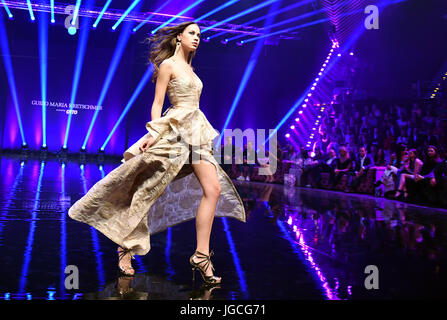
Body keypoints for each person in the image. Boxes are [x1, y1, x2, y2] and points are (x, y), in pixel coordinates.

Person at [68, 22, 246, 285]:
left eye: (199, 35)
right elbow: (157, 104)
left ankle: (201, 255)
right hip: (175, 131)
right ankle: (125, 248)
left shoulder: (191, 69)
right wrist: (154, 134)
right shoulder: (168, 66)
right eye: (192, 34)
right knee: (147, 191)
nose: (197, 38)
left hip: (196, 131)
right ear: (178, 38)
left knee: (214, 189)